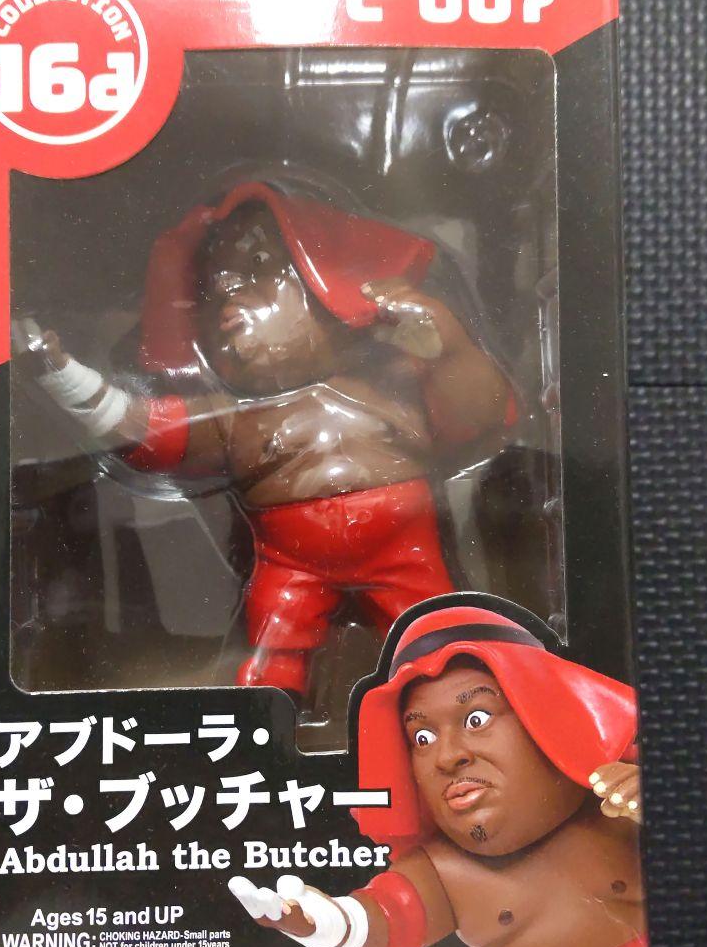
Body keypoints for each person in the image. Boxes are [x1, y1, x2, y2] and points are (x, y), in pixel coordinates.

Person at [26, 183, 514, 701]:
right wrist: (62, 375)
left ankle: (465, 692)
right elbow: (140, 427)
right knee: (273, 646)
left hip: (404, 544)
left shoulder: (392, 378)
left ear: (331, 283)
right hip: (291, 561)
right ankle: (265, 714)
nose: (228, 292)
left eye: (259, 265)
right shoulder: (232, 418)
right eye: (214, 288)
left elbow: (477, 417)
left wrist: (448, 347)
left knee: (438, 633)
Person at [228, 599, 648, 947]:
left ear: (545, 711)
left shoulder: (613, 802)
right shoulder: (445, 871)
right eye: (422, 738)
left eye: (477, 719)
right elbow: (387, 916)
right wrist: (324, 922)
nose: (447, 758)